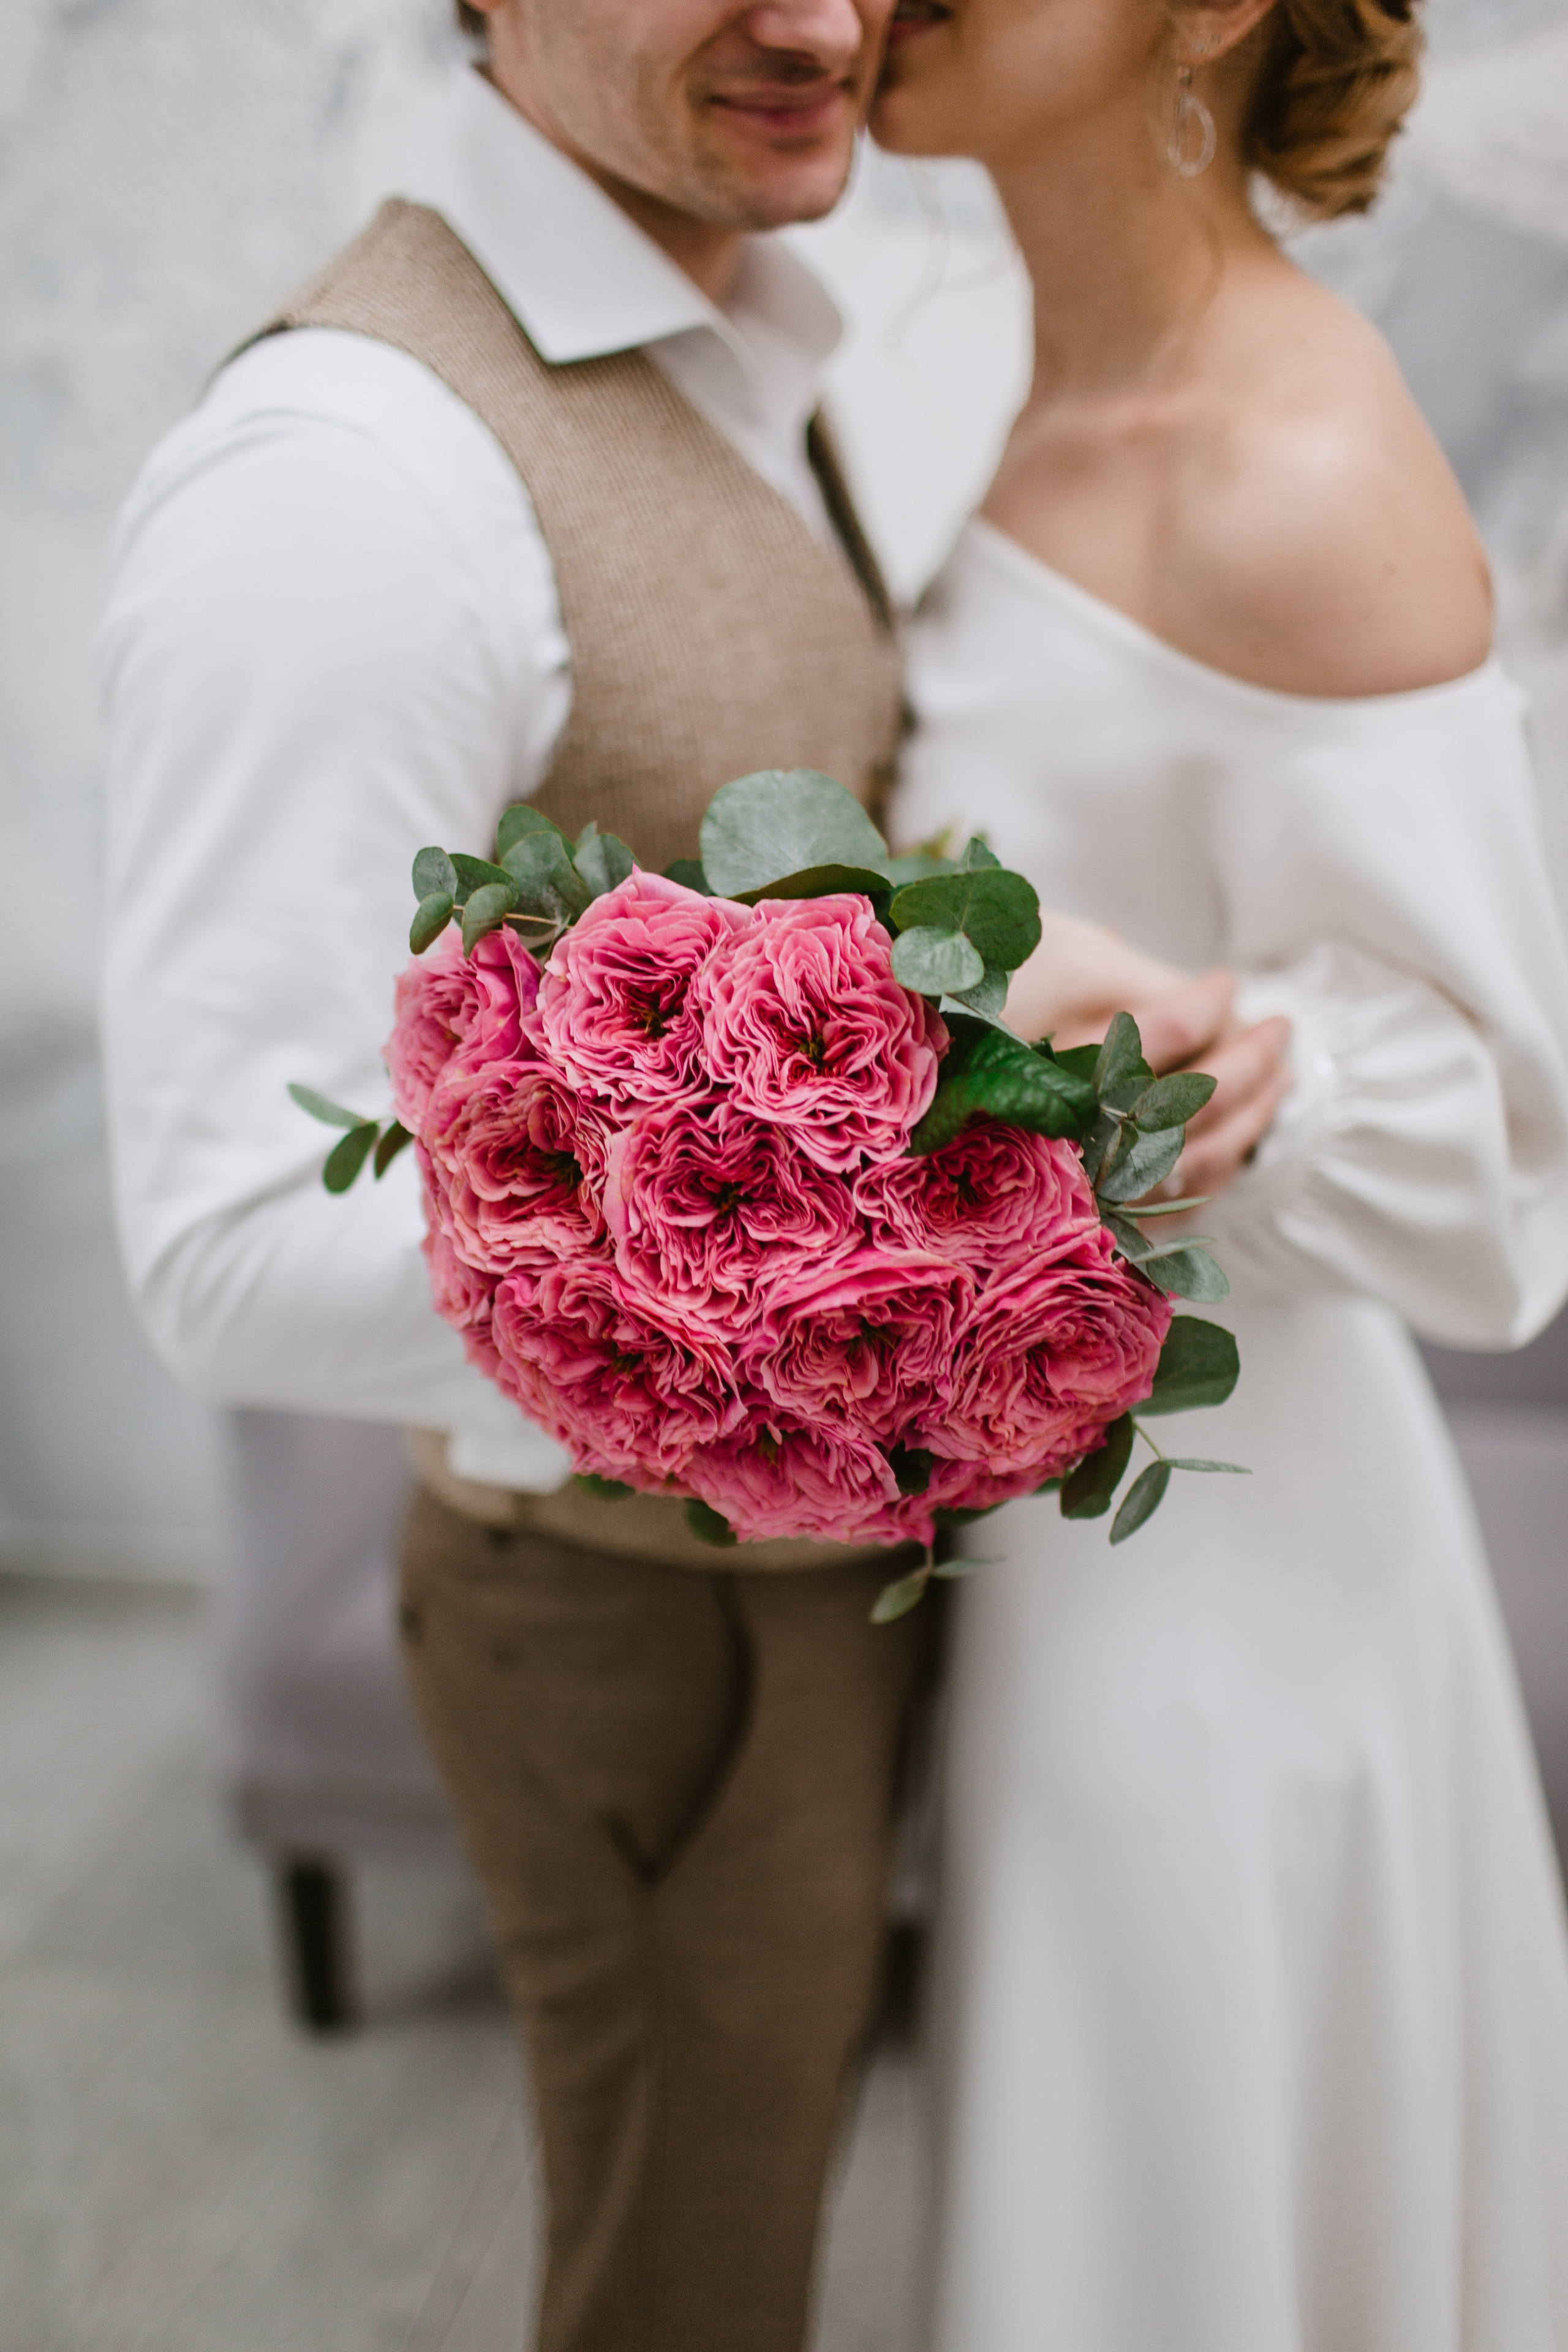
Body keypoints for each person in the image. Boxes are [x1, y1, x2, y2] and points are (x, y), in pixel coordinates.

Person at [96, 5, 1286, 2346]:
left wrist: (993, 1038)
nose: (830, 18)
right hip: (634, 1631)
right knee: (690, 2298)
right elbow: (223, 1244)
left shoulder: (736, 321)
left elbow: (759, 858)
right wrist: (931, 1218)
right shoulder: (347, 478)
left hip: (786, 1590)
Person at [876, 1, 1568, 2345]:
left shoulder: (1293, 466)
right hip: (1047, 1518)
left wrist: (1122, 1037)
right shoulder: (983, 399)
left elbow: (1490, 1144)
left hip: (1226, 1560)